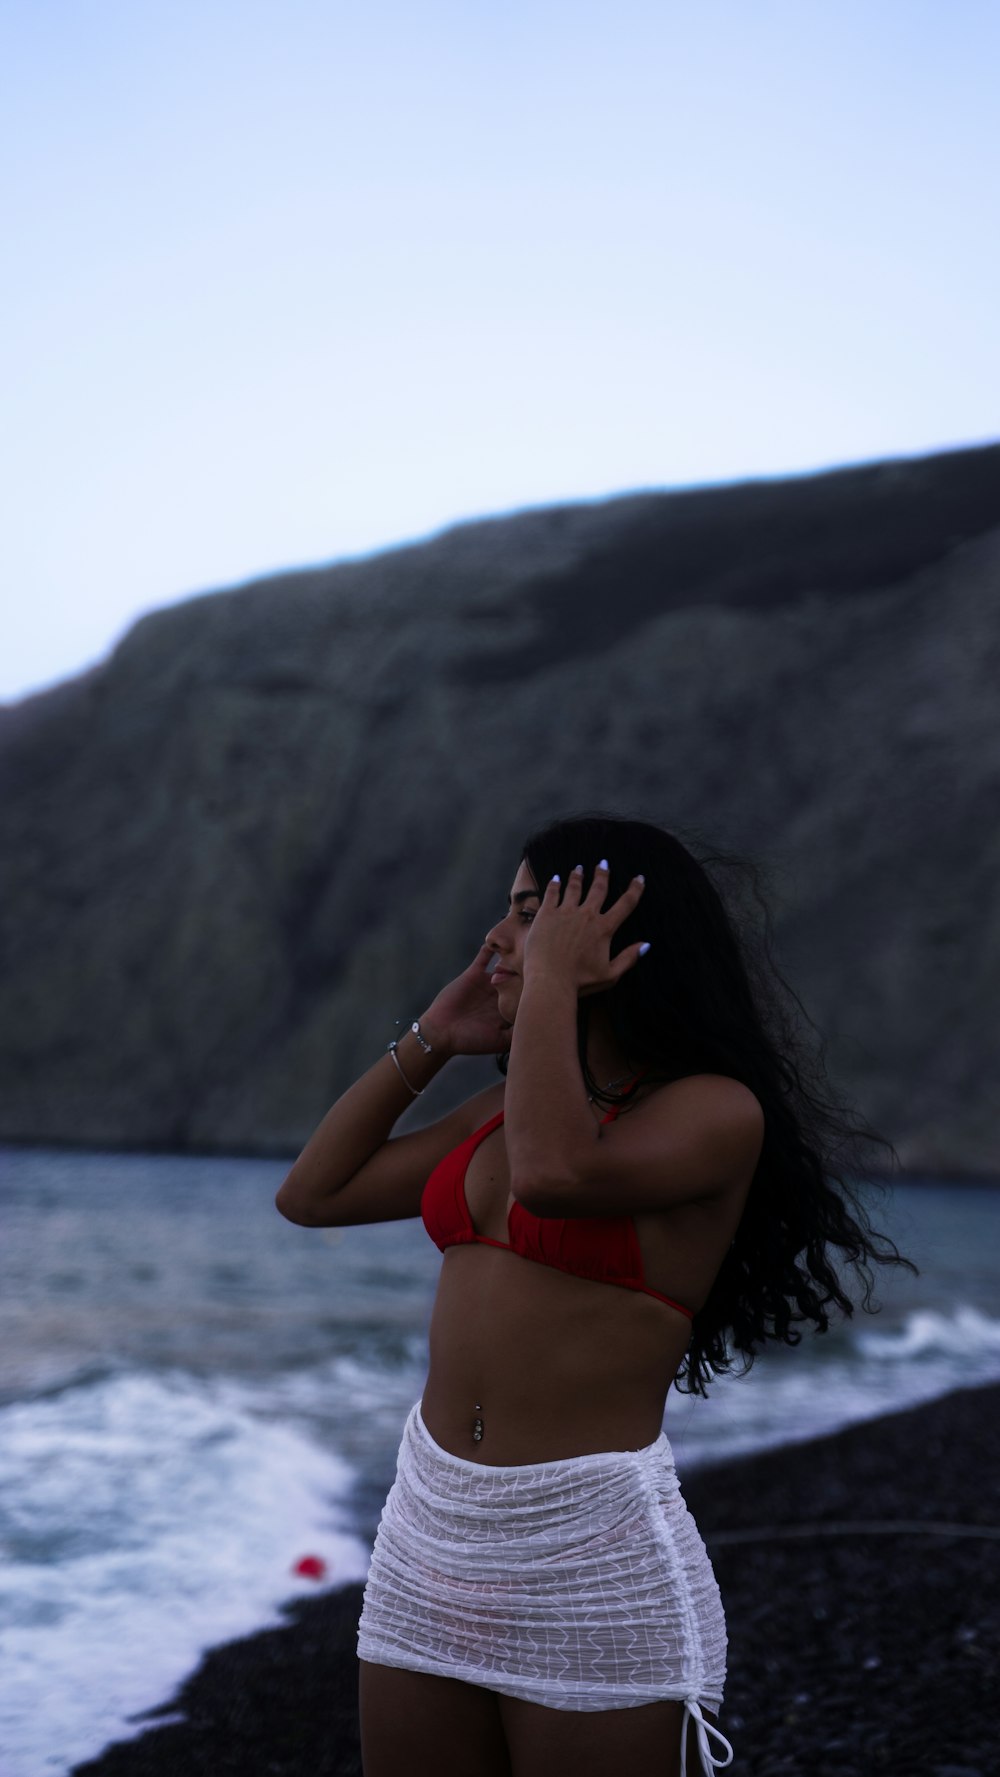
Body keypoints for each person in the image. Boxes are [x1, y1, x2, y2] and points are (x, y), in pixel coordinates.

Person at [276, 813, 912, 1777]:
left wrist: (552, 995)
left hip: (588, 1553)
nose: (495, 938)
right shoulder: (508, 1107)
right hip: (427, 1533)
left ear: (607, 936)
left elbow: (555, 1176)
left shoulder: (713, 1109)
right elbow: (312, 1194)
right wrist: (436, 1038)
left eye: (528, 912)